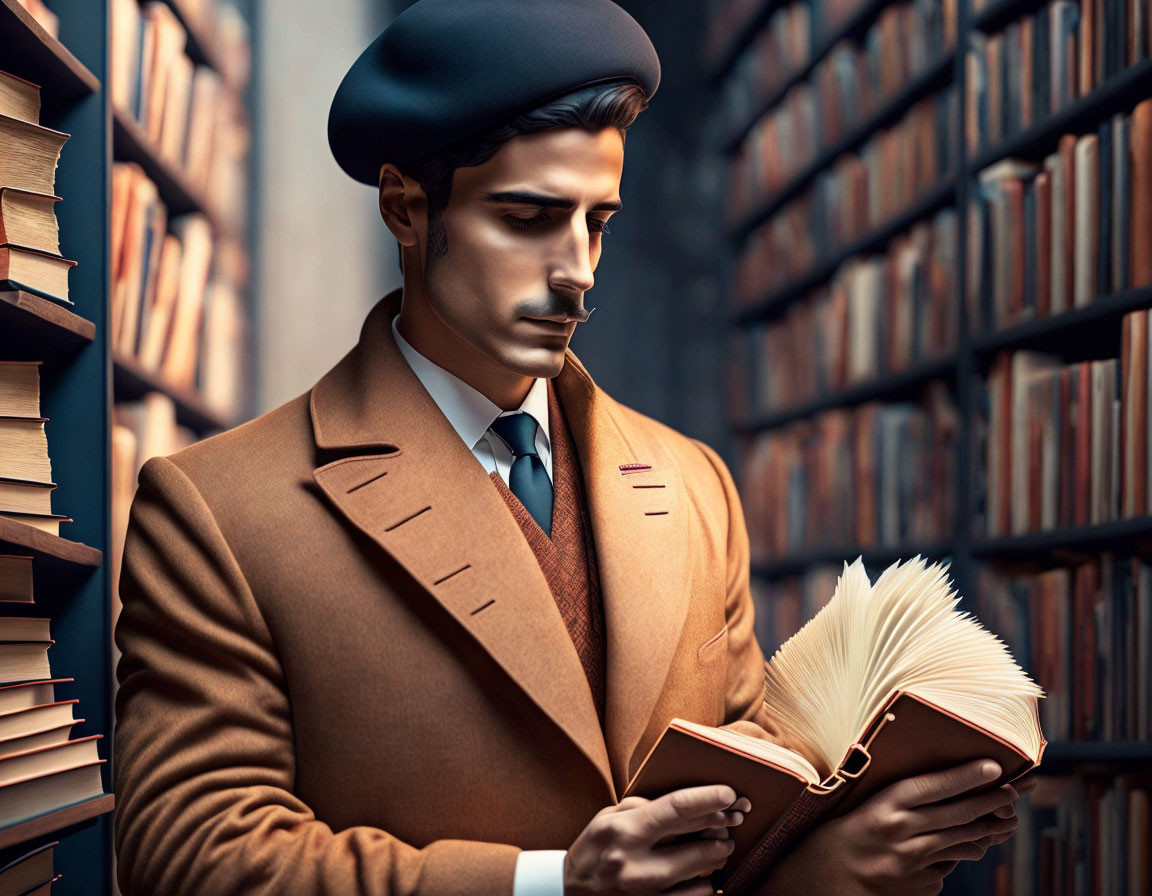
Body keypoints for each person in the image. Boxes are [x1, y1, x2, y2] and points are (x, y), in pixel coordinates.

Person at [111, 2, 1029, 894]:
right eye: (525, 218)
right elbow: (188, 854)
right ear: (405, 208)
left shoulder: (695, 484)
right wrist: (552, 884)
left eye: (597, 222)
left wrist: (838, 866)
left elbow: (754, 792)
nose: (577, 272)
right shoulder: (220, 510)